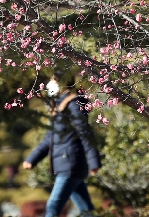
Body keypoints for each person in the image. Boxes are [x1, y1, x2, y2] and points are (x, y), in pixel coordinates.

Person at [23, 79, 101, 217]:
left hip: (70, 164)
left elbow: (85, 132)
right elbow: (50, 139)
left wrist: (94, 161)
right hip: (68, 165)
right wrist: (32, 159)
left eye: (53, 80)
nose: (50, 84)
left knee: (53, 206)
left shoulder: (74, 104)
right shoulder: (60, 106)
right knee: (86, 209)